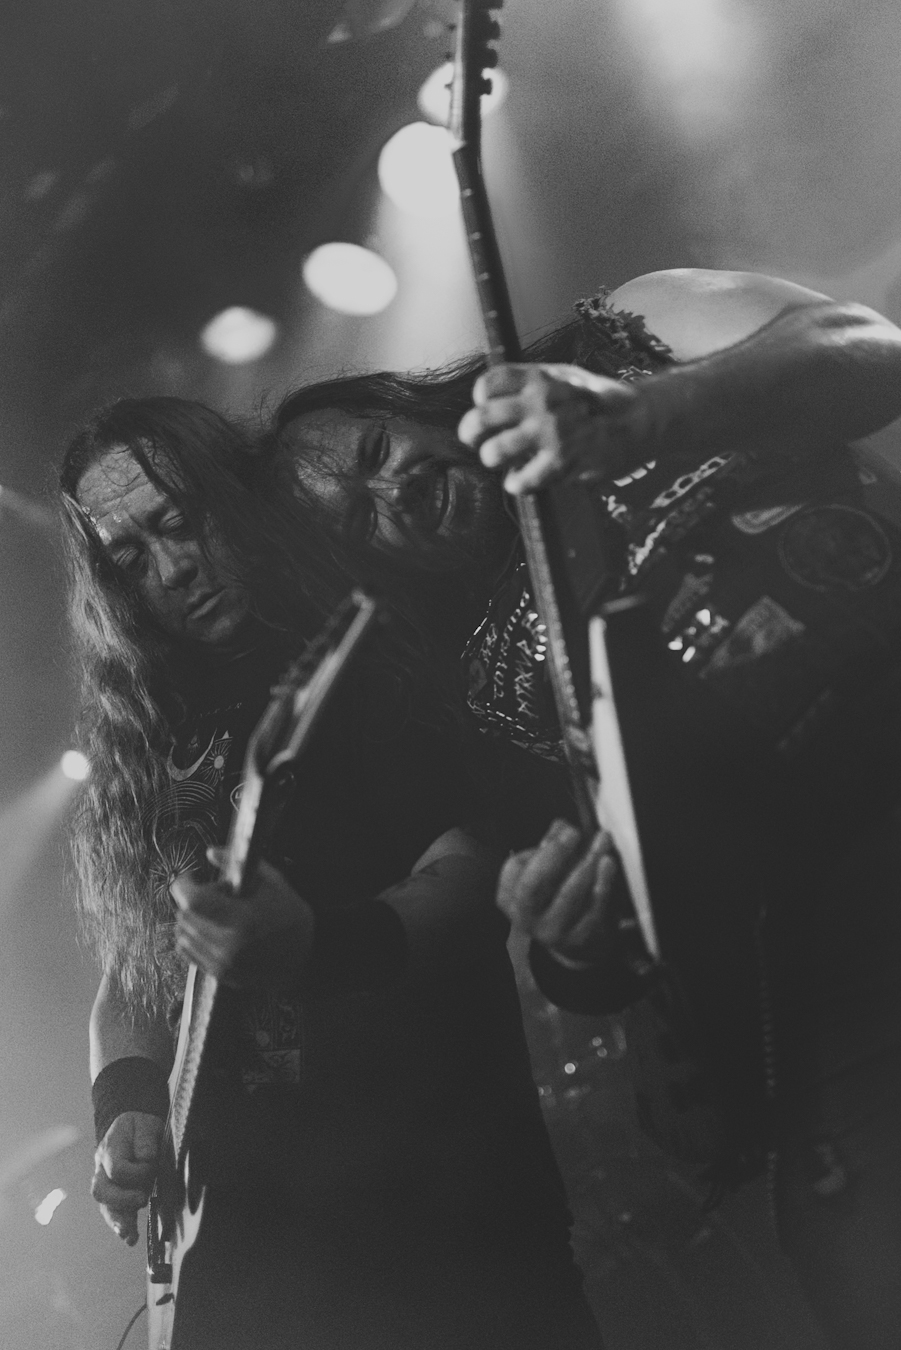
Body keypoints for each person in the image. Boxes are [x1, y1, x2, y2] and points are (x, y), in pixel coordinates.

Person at [269, 266, 901, 1350]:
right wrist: (575, 945)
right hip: (841, 969)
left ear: (408, 404)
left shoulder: (619, 338)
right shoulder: (467, 704)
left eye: (376, 452)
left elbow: (871, 349)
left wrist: (647, 415)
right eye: (358, 520)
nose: (394, 492)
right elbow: (626, 935)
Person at [62, 399, 606, 1350]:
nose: (172, 568)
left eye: (179, 521)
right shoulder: (153, 738)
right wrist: (128, 1106)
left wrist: (319, 947)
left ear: (238, 495)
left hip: (448, 1216)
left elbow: (469, 865)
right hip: (241, 1265)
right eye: (130, 559)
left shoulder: (371, 650)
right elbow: (132, 975)